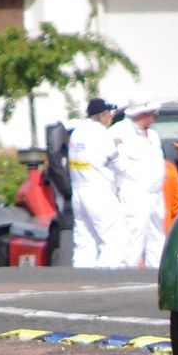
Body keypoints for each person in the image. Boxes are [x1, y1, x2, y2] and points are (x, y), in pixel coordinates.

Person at [68, 97, 128, 268]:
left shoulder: (77, 133)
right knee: (115, 237)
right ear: (102, 115)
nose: (110, 117)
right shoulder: (101, 134)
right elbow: (121, 166)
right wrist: (119, 146)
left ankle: (81, 279)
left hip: (78, 191)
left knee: (84, 240)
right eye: (109, 114)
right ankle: (106, 277)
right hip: (98, 191)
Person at [109, 100, 167, 268]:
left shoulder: (153, 135)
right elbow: (115, 161)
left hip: (156, 192)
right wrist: (132, 178)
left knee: (157, 234)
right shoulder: (119, 131)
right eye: (152, 112)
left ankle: (155, 270)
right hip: (134, 191)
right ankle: (128, 270)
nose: (154, 117)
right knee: (133, 232)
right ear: (141, 113)